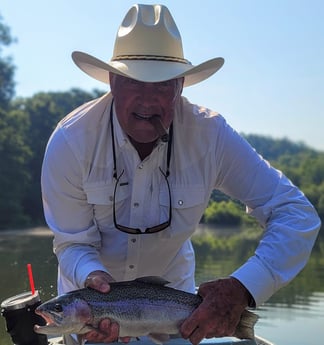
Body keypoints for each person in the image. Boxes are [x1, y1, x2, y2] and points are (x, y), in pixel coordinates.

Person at [41, 4, 321, 345]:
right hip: (88, 324)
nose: (148, 99)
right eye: (133, 82)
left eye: (162, 85)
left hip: (177, 321)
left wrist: (243, 287)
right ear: (112, 81)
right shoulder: (71, 142)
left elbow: (296, 214)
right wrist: (92, 277)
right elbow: (72, 244)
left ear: (181, 85)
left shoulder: (211, 136)